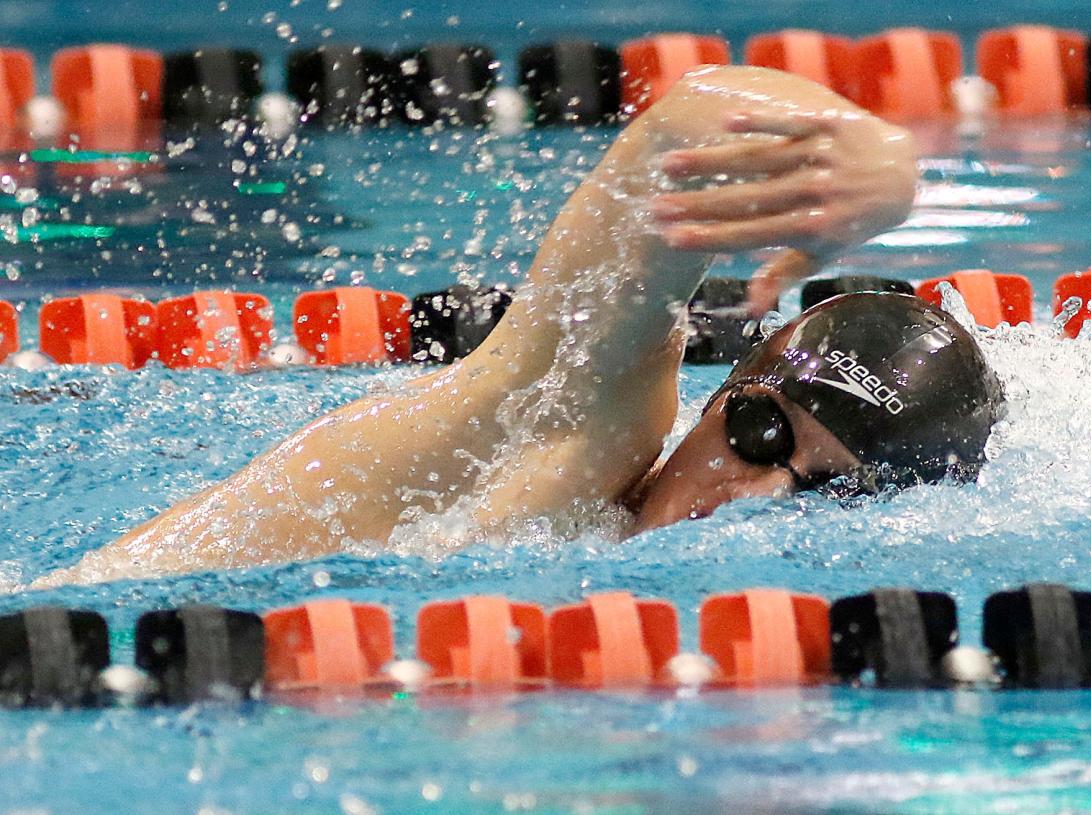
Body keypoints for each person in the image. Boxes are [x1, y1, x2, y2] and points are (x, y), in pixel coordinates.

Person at [37, 64, 999, 587]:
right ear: (721, 396)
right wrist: (886, 160)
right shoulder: (576, 434)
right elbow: (688, 121)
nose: (751, 497)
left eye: (823, 491)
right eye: (759, 434)